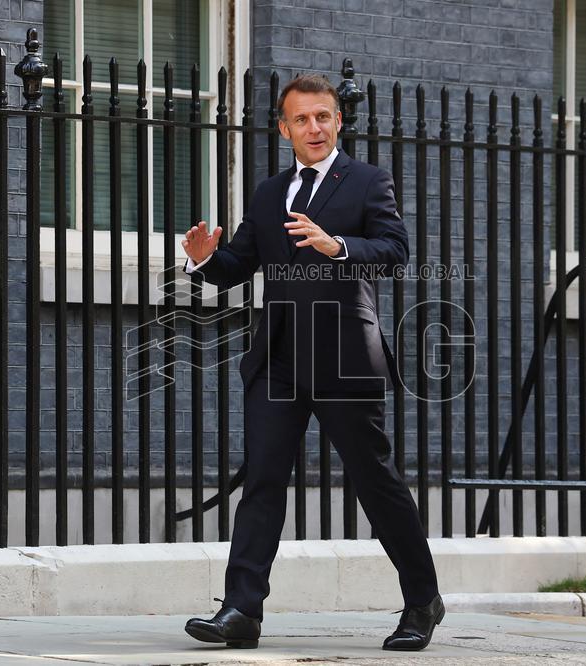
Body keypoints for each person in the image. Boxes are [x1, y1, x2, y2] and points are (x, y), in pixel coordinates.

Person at [180, 74, 443, 652]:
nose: (314, 128)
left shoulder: (368, 182)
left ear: (338, 121)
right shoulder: (270, 192)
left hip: (345, 355)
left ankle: (423, 600)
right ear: (284, 129)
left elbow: (396, 249)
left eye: (322, 116)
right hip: (277, 358)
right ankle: (241, 611)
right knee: (263, 480)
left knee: (375, 482)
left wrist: (338, 246)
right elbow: (242, 263)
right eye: (301, 119)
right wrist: (205, 262)